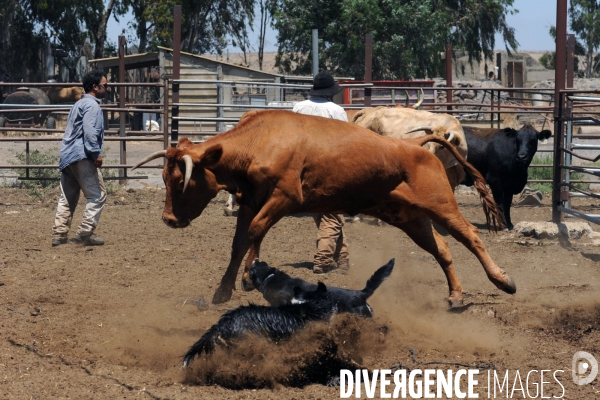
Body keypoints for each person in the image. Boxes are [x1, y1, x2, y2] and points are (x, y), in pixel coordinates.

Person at [292, 71, 350, 274]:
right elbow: (345, 141)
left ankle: (342, 259)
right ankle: (322, 261)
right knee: (332, 216)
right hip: (330, 167)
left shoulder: (298, 108)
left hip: (303, 168)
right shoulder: (337, 111)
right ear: (331, 92)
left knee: (324, 213)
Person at [51, 70, 108, 247]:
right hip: (82, 156)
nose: (107, 88)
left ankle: (59, 234)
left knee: (67, 197)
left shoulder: (78, 104)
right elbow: (90, 131)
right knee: (97, 195)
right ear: (95, 87)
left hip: (68, 156)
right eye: (105, 85)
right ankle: (85, 232)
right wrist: (95, 153)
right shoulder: (92, 106)